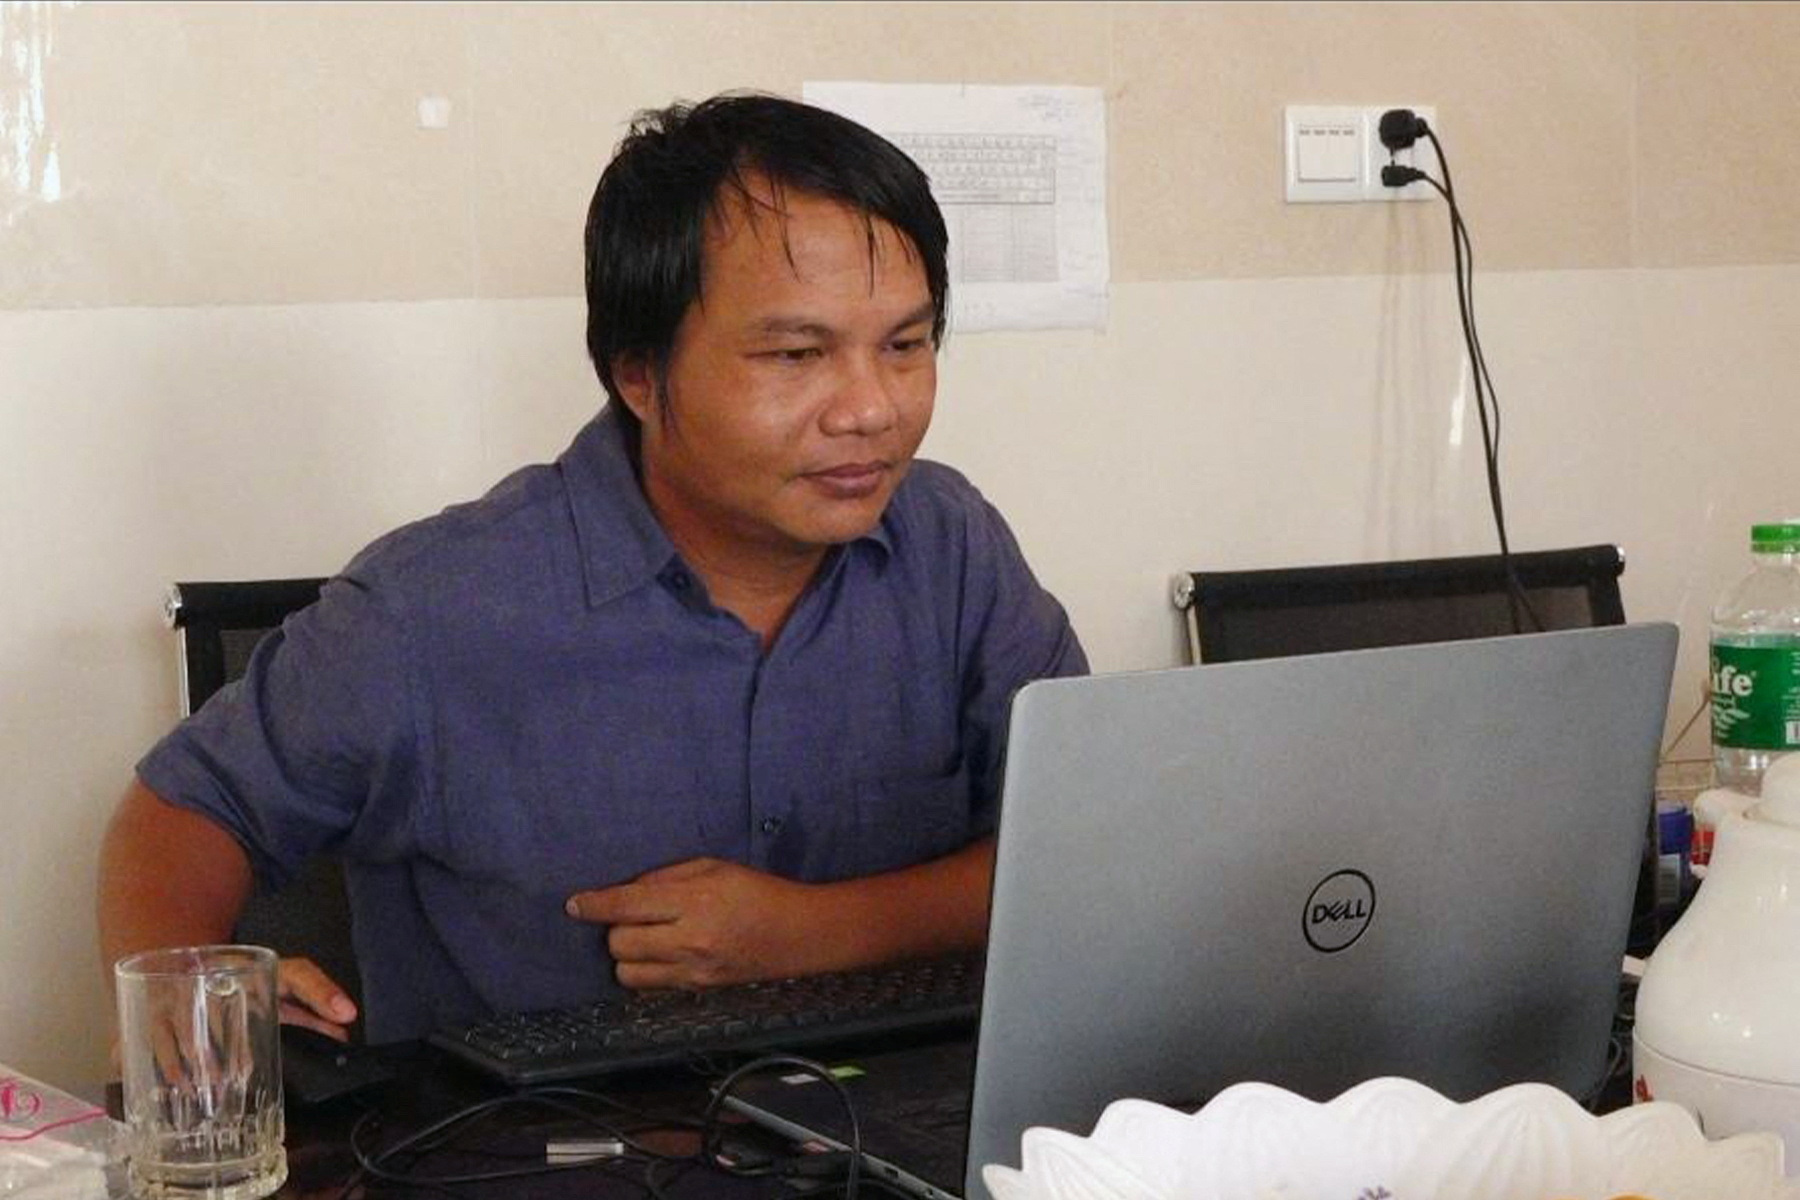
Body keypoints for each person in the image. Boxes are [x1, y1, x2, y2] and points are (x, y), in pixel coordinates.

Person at [96, 93, 1086, 1046]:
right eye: (796, 355)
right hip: (535, 1155)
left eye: (906, 345)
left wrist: (817, 932)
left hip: (899, 1134)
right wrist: (193, 1003)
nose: (870, 407)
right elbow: (179, 818)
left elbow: (1081, 849)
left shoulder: (951, 546)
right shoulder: (434, 608)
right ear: (639, 373)